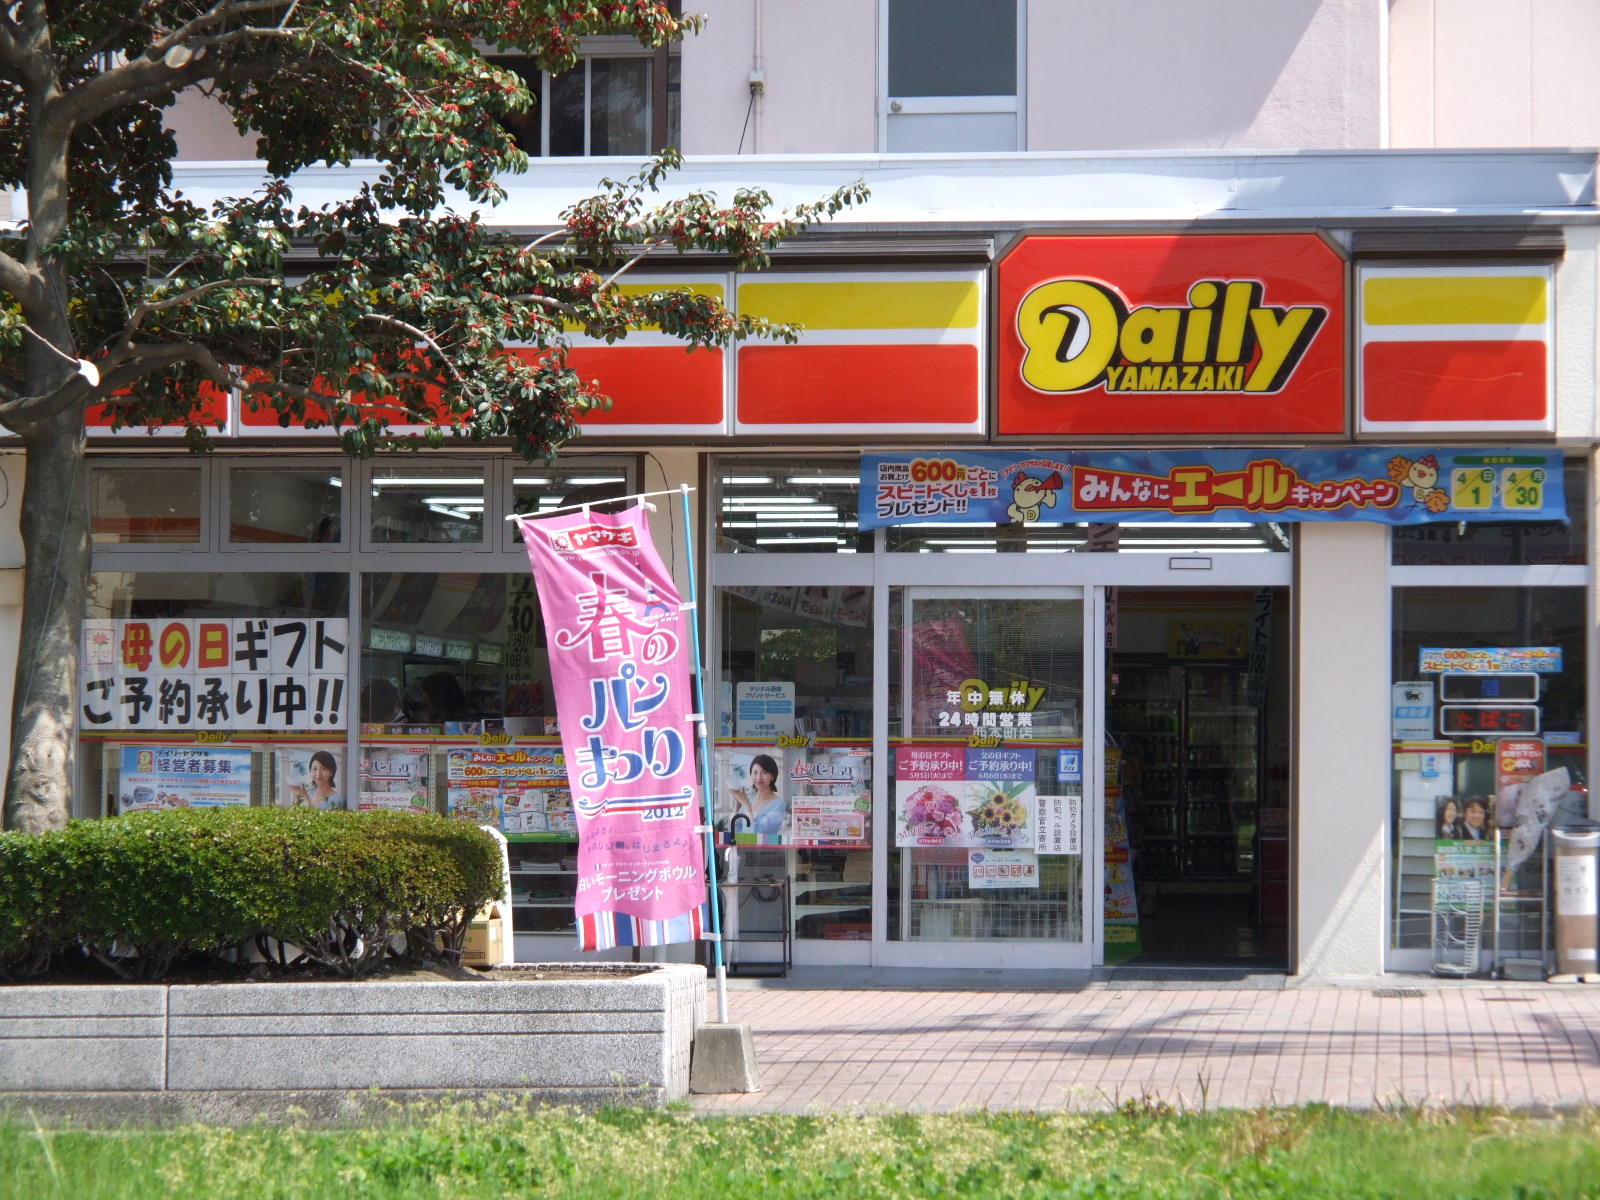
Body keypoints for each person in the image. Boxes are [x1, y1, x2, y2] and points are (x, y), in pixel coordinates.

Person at [726, 753, 788, 839]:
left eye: (764, 772)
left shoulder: (779, 805)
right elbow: (734, 831)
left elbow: (757, 836)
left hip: (764, 847)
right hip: (741, 847)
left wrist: (747, 806)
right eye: (755, 772)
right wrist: (737, 804)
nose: (758, 777)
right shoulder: (749, 799)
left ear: (772, 776)